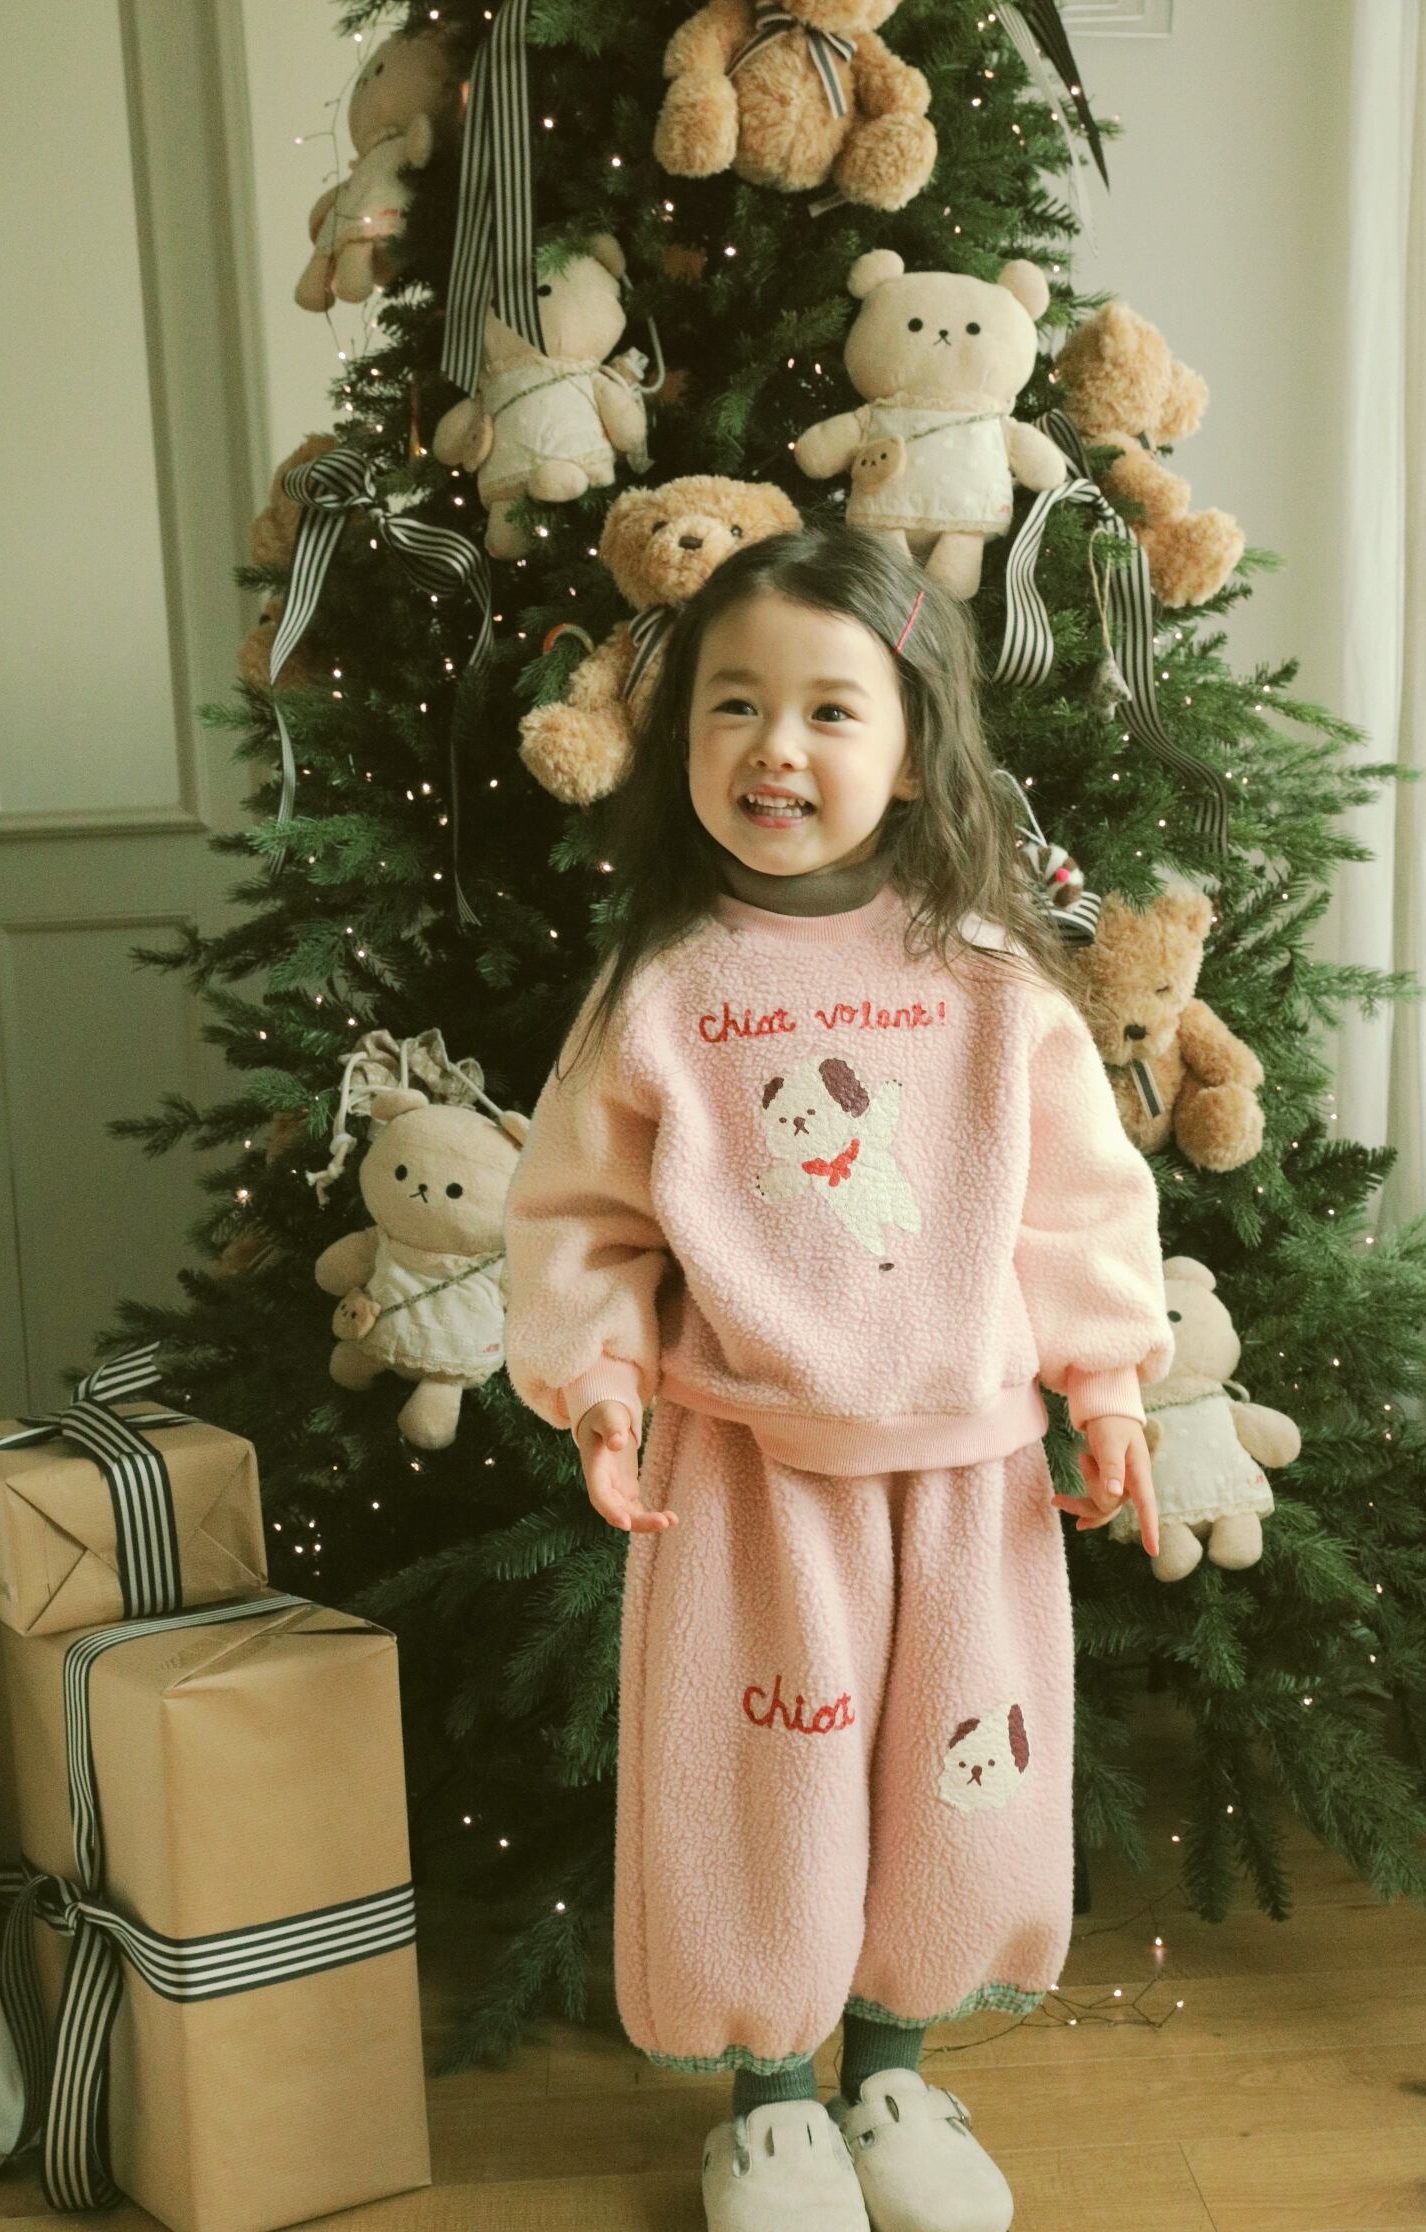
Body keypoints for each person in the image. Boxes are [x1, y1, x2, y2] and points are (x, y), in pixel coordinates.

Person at [501, 524, 1173, 2232]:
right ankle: (772, 2106)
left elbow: (1082, 1206)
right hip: (748, 1476)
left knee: (963, 1776)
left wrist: (1106, 1390)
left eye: (828, 709)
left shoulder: (990, 980)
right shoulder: (663, 990)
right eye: (734, 705)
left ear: (916, 747)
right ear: (682, 740)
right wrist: (601, 1386)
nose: (776, 748)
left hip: (972, 1474)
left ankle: (893, 2072)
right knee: (763, 1789)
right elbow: (579, 1218)